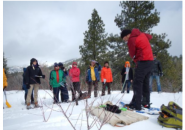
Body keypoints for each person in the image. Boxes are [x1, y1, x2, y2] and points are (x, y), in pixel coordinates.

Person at [121, 28, 154, 110]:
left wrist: (136, 60)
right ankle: (145, 103)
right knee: (145, 83)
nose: (125, 40)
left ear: (127, 35)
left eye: (124, 38)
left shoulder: (132, 39)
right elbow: (150, 36)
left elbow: (132, 53)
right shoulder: (141, 34)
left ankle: (137, 104)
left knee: (137, 83)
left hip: (142, 61)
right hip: (150, 61)